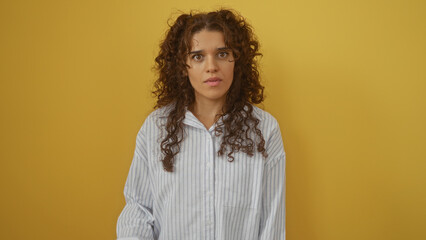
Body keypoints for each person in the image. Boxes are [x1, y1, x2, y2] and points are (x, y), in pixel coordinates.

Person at [116, 8, 286, 240]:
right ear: (182, 66)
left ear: (238, 61)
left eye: (223, 54)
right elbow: (138, 208)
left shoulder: (265, 130)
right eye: (197, 56)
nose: (211, 66)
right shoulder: (156, 127)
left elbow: (271, 221)